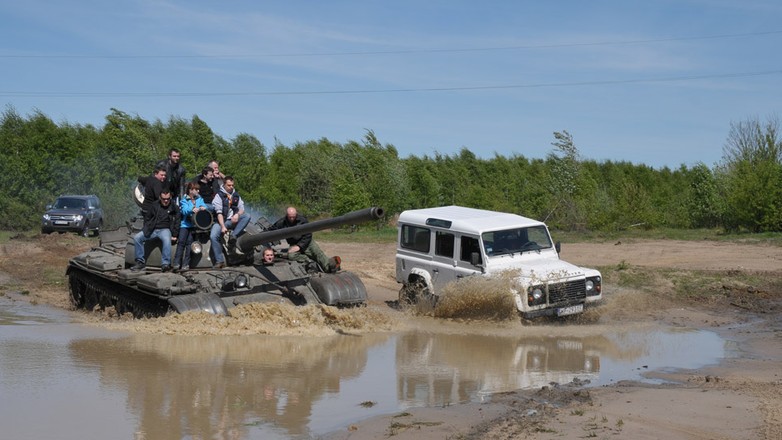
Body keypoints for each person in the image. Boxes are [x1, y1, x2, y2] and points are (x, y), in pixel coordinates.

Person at [271, 206, 340, 273]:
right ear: (287, 215)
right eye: (290, 217)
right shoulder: (282, 222)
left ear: (296, 214)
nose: (292, 219)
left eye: (293, 217)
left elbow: (308, 235)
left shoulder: (303, 220)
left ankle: (329, 267)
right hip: (294, 244)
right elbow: (272, 229)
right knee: (291, 256)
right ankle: (309, 260)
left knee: (317, 253)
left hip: (306, 242)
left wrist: (299, 246)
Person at [131, 188, 180, 272]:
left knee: (166, 240)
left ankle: (165, 264)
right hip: (152, 229)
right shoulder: (154, 205)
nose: (166, 201)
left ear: (170, 197)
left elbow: (178, 220)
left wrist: (175, 234)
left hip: (165, 229)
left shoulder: (174, 206)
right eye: (164, 199)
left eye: (168, 199)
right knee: (137, 238)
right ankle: (140, 262)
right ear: (160, 198)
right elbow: (147, 217)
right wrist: (146, 228)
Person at [210, 176, 251, 269]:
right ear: (224, 185)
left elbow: (241, 209)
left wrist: (237, 215)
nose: (231, 187)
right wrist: (223, 226)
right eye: (229, 185)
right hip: (221, 221)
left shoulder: (236, 195)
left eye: (232, 185)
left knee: (247, 216)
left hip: (233, 220)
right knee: (213, 236)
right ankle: (219, 261)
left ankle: (234, 235)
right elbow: (219, 213)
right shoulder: (219, 196)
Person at [172, 182, 208, 272]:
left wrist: (203, 207)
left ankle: (186, 264)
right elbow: (184, 210)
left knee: (190, 244)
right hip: (185, 225)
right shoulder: (184, 200)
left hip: (194, 225)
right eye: (196, 189)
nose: (198, 191)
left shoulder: (199, 199)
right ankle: (176, 263)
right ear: (190, 190)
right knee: (181, 243)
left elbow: (205, 206)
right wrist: (192, 209)